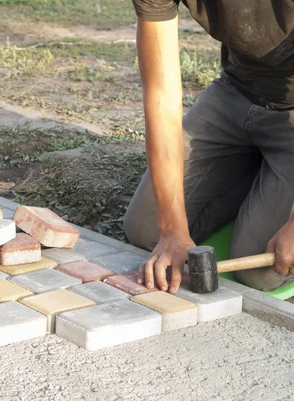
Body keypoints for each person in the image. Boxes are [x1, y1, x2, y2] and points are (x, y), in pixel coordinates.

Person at [123, 1, 294, 293]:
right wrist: (172, 230)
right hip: (236, 91)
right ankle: (256, 170)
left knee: (261, 270)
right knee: (147, 230)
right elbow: (161, 96)